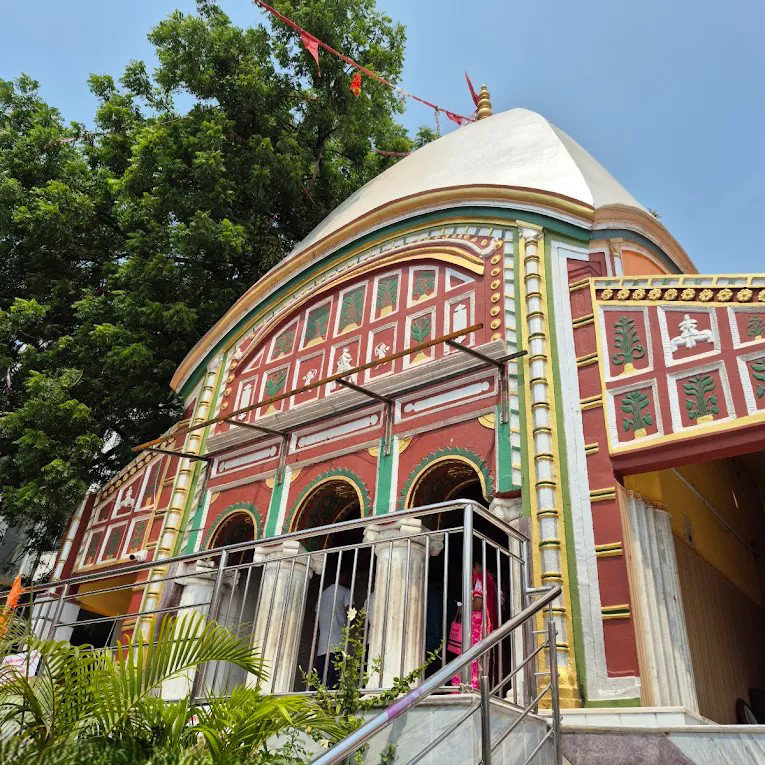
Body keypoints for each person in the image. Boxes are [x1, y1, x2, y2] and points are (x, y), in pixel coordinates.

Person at [451, 558, 498, 690]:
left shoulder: (479, 580)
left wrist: (463, 607)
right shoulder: (489, 579)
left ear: (477, 566)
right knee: (476, 657)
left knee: (470, 655)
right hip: (481, 624)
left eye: (471, 568)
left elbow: (477, 604)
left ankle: (470, 686)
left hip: (475, 625)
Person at [314, 570, 352, 688]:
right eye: (346, 576)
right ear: (340, 576)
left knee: (320, 677)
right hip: (337, 641)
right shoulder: (345, 591)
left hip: (322, 643)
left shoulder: (323, 593)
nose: (347, 579)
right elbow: (351, 611)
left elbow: (315, 615)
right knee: (334, 678)